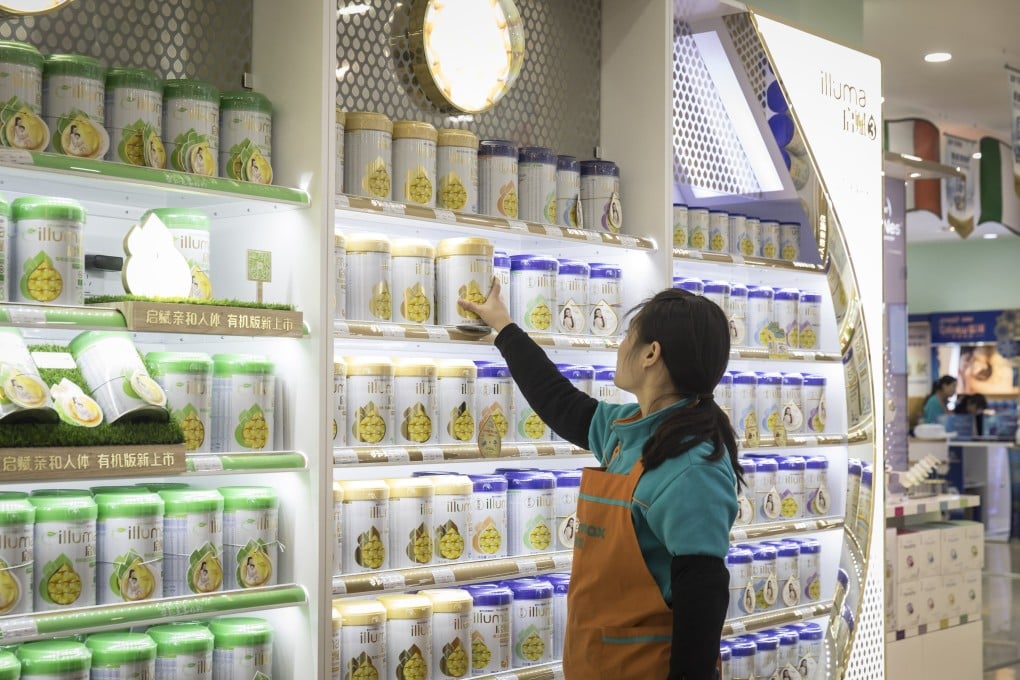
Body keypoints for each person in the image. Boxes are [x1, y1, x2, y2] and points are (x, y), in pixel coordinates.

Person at [460, 281, 742, 680]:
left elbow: (703, 600)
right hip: (595, 663)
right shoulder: (629, 428)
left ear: (651, 353)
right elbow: (559, 402)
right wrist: (503, 328)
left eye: (628, 335)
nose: (620, 345)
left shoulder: (693, 467)